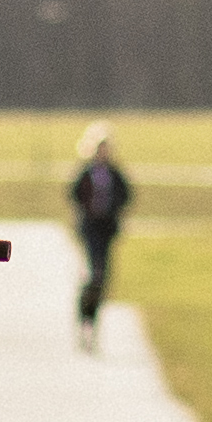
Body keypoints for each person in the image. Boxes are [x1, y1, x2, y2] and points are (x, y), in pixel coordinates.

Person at [65, 122, 133, 338]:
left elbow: (126, 195)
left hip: (107, 229)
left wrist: (114, 211)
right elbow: (74, 193)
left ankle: (92, 319)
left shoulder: (114, 173)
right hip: (90, 228)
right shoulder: (86, 172)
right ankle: (84, 314)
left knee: (103, 276)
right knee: (93, 273)